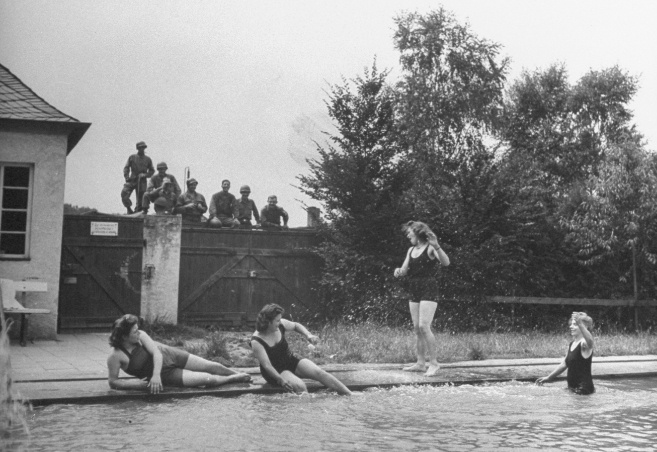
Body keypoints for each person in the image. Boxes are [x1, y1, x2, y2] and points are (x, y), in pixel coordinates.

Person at [107, 314, 251, 392]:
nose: (139, 332)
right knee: (208, 380)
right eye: (134, 331)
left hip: (168, 355)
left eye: (138, 329)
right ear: (124, 336)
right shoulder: (115, 356)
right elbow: (113, 382)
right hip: (165, 374)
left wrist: (155, 376)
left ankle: (235, 373)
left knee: (212, 365)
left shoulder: (141, 335)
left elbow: (157, 353)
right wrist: (136, 385)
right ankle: (233, 379)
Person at [250, 303, 352, 396]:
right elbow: (267, 366)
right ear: (268, 321)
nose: (279, 322)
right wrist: (280, 380)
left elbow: (295, 325)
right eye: (277, 320)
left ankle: (350, 394)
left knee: (320, 372)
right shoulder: (257, 341)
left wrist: (308, 335)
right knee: (301, 387)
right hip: (275, 370)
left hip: (289, 359)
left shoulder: (281, 325)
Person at [393, 221, 450, 377]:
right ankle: (420, 363)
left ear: (418, 233)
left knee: (424, 326)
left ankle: (434, 363)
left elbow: (446, 262)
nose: (408, 235)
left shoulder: (431, 248)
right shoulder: (411, 249)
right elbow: (404, 271)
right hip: (414, 288)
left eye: (409, 232)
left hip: (429, 288)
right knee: (417, 328)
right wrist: (398, 271)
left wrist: (437, 245)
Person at [536, 312, 595, 395]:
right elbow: (564, 364)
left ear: (585, 327)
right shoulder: (572, 344)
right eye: (571, 324)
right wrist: (549, 377)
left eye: (575, 324)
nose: (571, 326)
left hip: (584, 389)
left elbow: (591, 342)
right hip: (572, 388)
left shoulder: (584, 344)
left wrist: (580, 324)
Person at [121, 141, 155, 214]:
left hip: (142, 180)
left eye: (143, 147)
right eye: (140, 147)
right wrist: (127, 177)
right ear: (137, 148)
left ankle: (138, 212)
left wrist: (145, 175)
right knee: (124, 193)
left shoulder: (148, 159)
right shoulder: (132, 157)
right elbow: (126, 168)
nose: (142, 149)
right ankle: (129, 209)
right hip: (132, 179)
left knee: (141, 198)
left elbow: (152, 171)